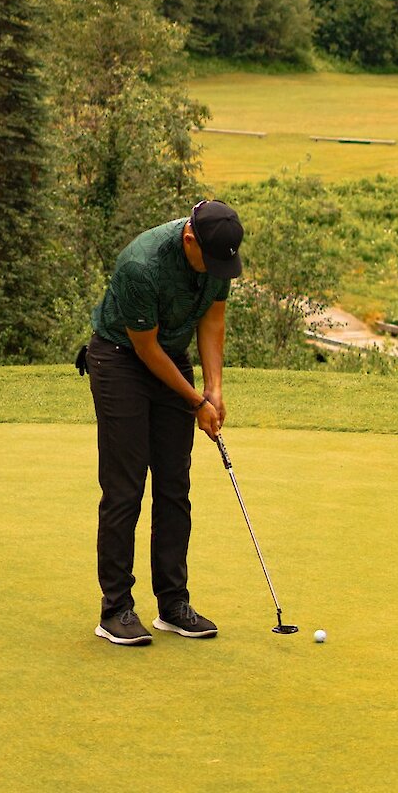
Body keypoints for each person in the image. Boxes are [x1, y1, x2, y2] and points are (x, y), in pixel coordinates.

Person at [86, 199, 244, 646]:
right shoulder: (142, 263)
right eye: (209, 261)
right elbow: (146, 349)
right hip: (120, 358)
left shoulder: (218, 255)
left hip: (170, 358)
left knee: (175, 484)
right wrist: (195, 401)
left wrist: (214, 387)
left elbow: (213, 319)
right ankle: (115, 609)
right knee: (125, 485)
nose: (216, 269)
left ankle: (173, 603)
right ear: (189, 238)